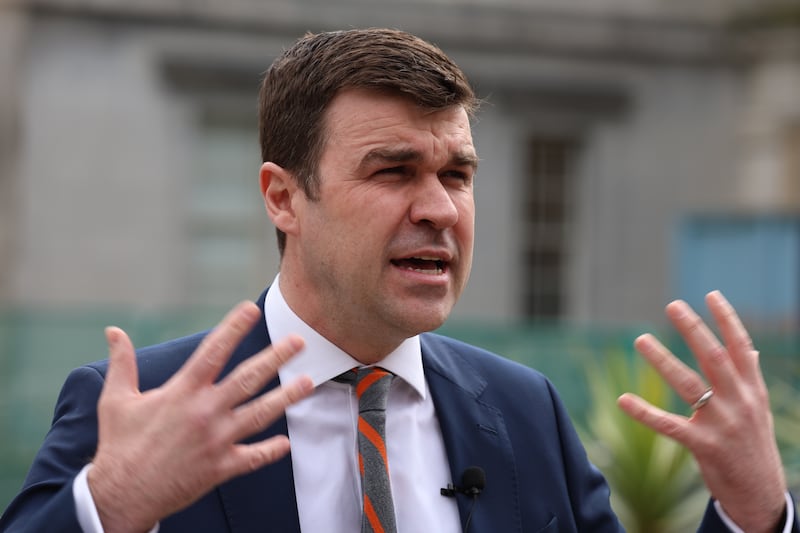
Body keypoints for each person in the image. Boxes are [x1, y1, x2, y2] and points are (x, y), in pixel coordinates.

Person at [0, 28, 795, 533]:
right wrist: (108, 508)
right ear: (283, 197)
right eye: (394, 171)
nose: (440, 208)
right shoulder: (140, 409)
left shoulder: (525, 413)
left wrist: (754, 515)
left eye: (458, 173)